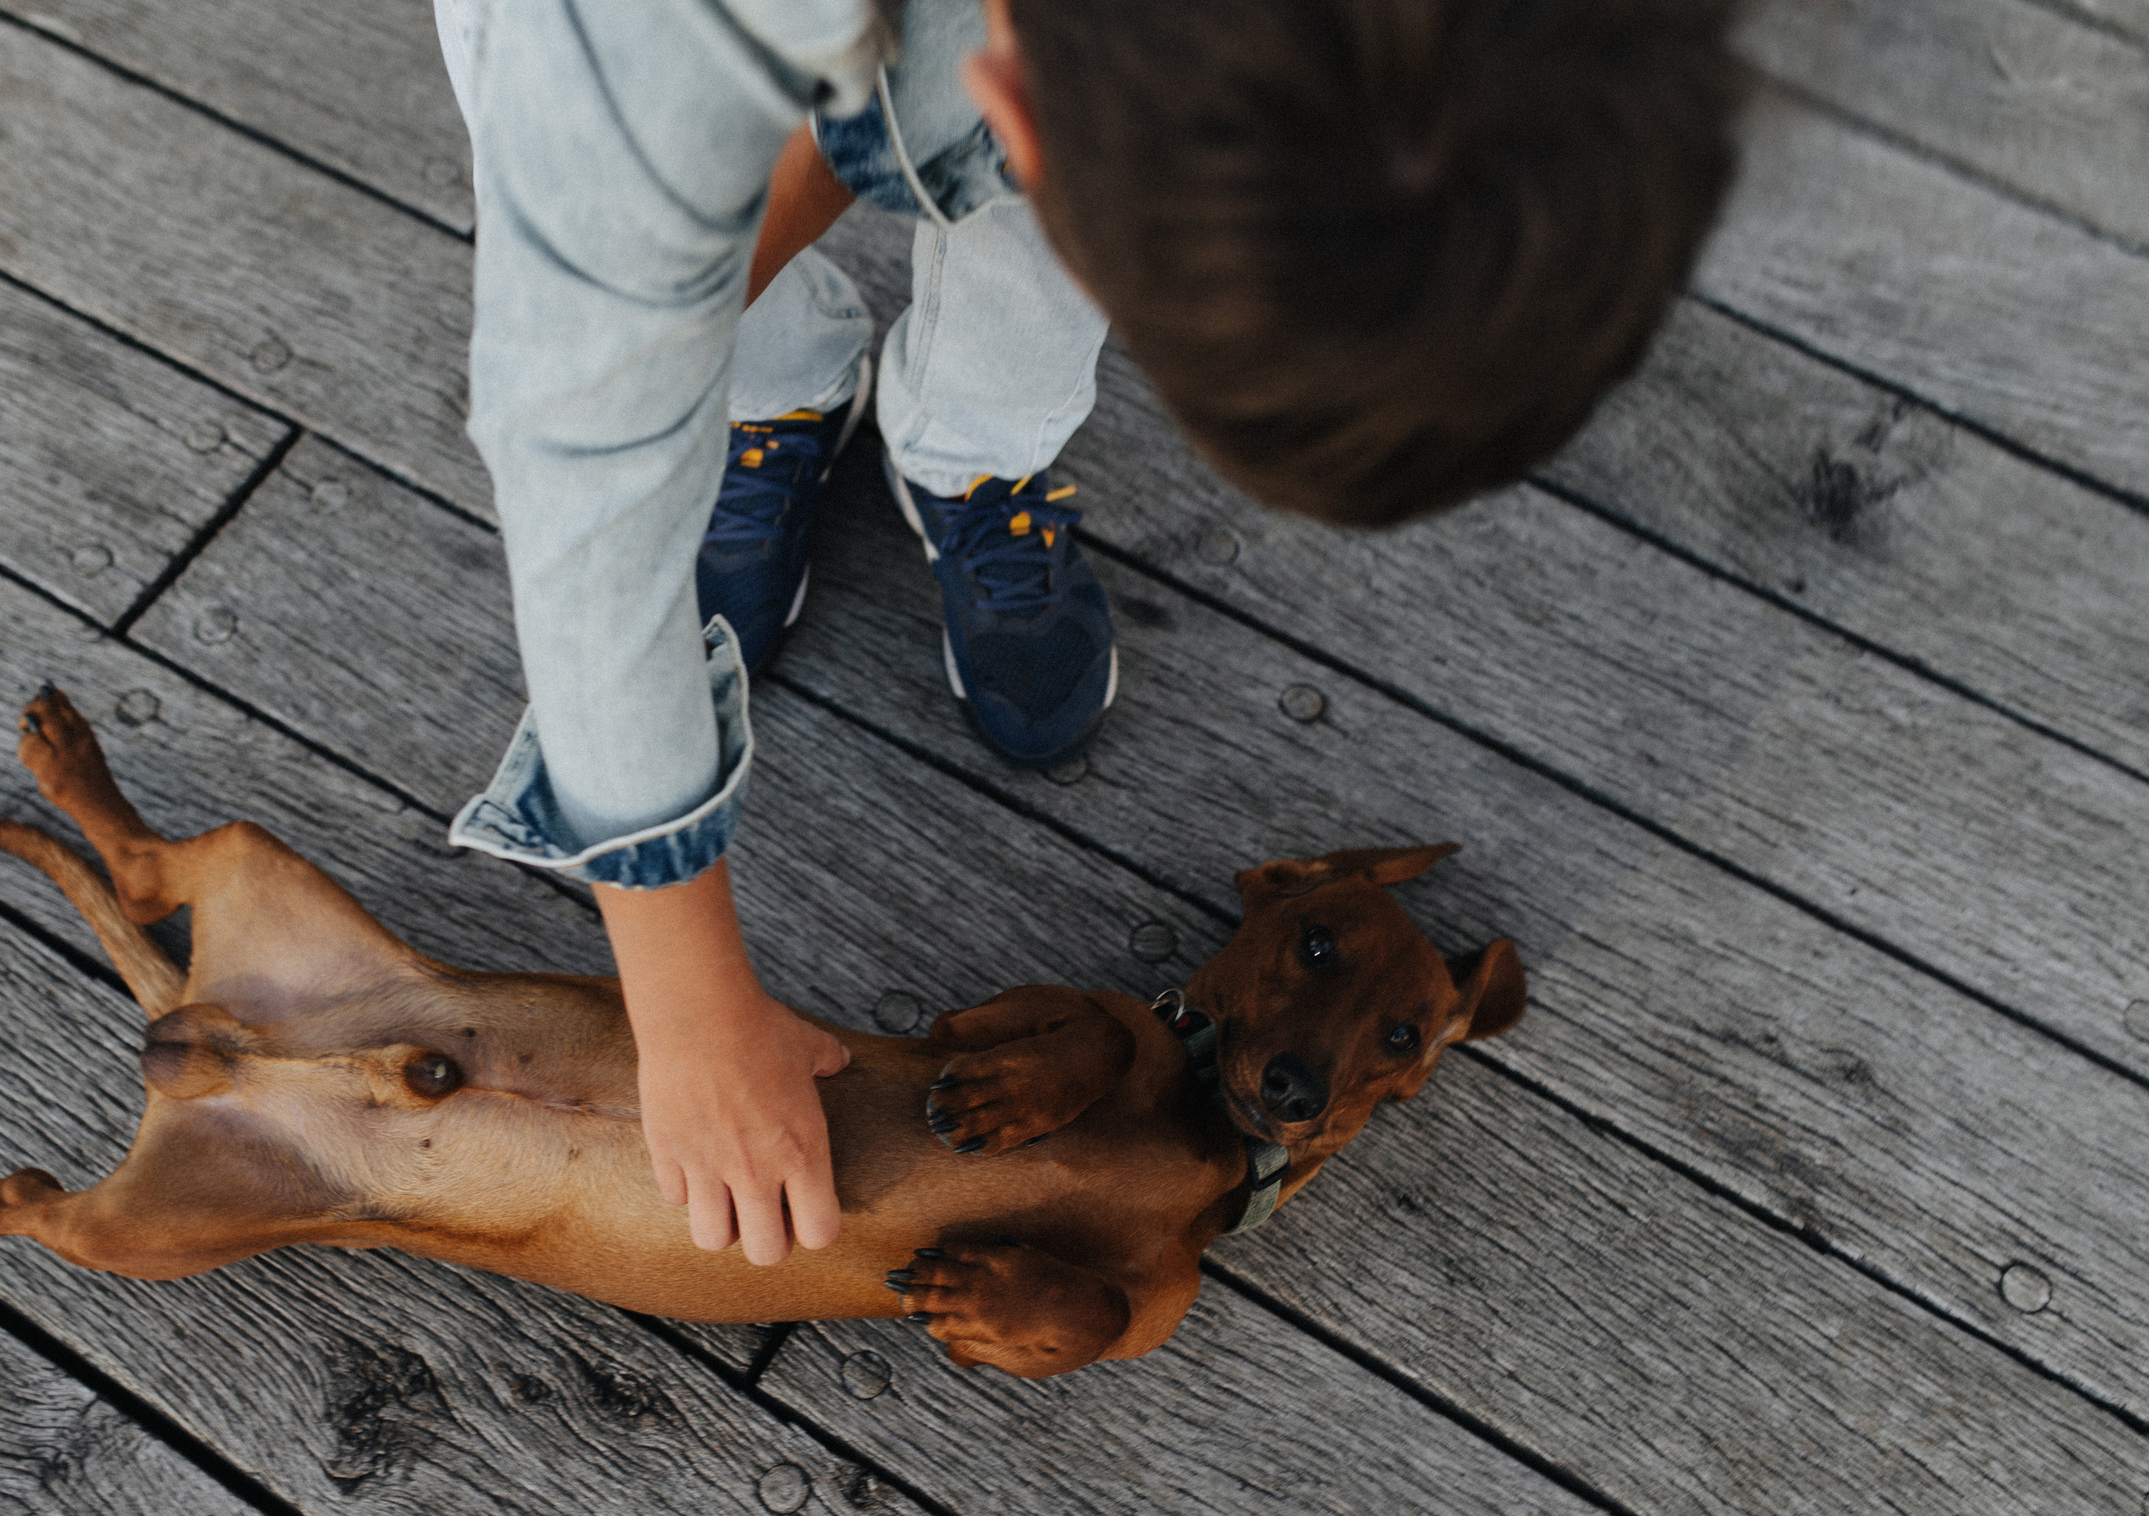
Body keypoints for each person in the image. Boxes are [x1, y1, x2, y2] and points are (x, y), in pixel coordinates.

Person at [432, 0, 1742, 1266]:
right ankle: (761, 393)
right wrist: (690, 1011)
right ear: (1018, 103)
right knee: (683, 304)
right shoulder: (620, 76)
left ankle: (972, 448)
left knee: (1039, 237)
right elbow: (578, 460)